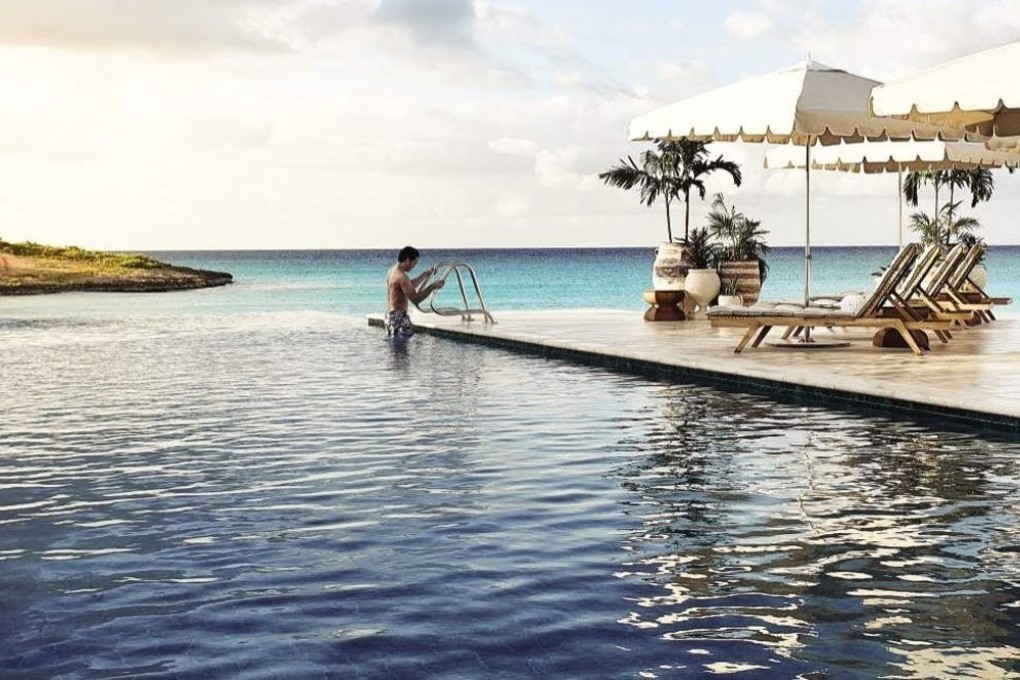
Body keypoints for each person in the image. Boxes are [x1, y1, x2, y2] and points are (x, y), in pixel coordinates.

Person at [385, 246, 445, 338]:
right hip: (399, 317)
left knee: (395, 350)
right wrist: (433, 286)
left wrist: (425, 274)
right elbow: (416, 299)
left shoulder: (392, 271)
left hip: (390, 316)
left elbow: (408, 285)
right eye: (414, 263)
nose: (414, 266)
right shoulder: (402, 277)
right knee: (402, 350)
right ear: (408, 260)